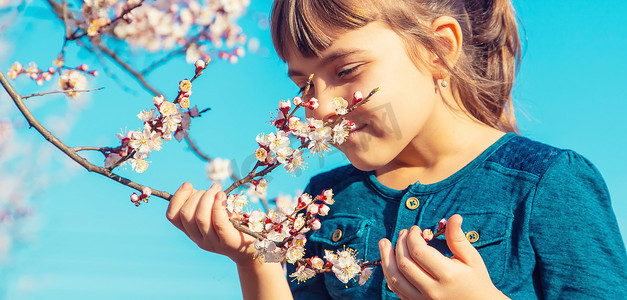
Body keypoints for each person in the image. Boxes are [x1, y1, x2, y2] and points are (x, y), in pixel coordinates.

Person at [166, 0, 627, 299]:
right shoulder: (325, 198)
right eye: (303, 84)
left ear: (438, 50)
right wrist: (256, 257)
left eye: (346, 71)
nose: (320, 107)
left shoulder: (548, 184)